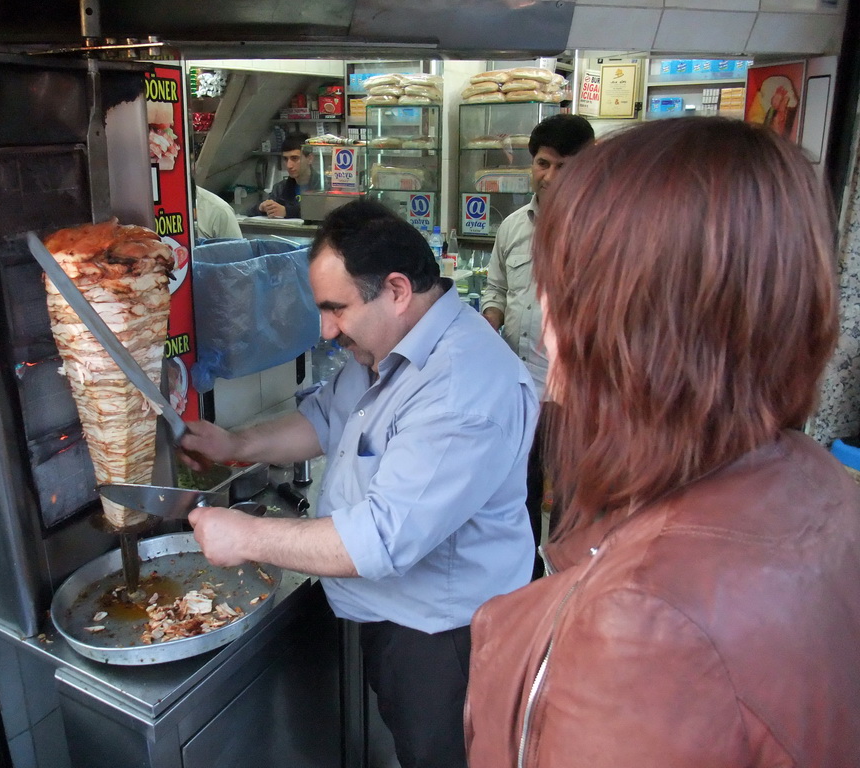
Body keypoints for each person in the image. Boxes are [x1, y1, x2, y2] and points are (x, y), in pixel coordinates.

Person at [465, 117, 860, 768]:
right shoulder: (817, 481)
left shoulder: (642, 626)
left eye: (565, 302)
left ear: (641, 328)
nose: (547, 340)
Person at [181, 198, 538, 768]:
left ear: (396, 289)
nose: (325, 330)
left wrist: (244, 536)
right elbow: (327, 417)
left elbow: (381, 538)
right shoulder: (387, 347)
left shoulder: (461, 389)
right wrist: (235, 445)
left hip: (444, 640)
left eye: (335, 309)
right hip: (393, 615)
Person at [479, 113, 594, 577]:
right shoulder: (512, 227)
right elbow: (497, 289)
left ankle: (563, 590)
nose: (550, 177)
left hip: (574, 396)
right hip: (517, 387)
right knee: (515, 492)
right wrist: (489, 322)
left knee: (570, 499)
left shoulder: (602, 232)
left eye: (565, 167)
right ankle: (523, 582)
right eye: (544, 164)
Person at [250, 132, 313, 219]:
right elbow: (250, 212)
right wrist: (262, 207)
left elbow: (324, 212)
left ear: (310, 159)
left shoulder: (325, 186)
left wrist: (287, 211)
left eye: (294, 158)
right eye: (285, 159)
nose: (289, 165)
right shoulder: (280, 188)